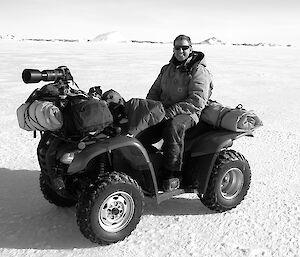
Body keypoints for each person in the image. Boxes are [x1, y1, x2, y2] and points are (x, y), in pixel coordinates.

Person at [138, 34, 213, 192]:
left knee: (172, 127)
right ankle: (148, 166)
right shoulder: (166, 69)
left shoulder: (198, 70)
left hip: (189, 113)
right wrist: (150, 109)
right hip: (165, 110)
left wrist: (170, 112)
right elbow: (154, 92)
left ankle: (173, 174)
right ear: (173, 49)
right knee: (142, 130)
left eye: (184, 48)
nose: (181, 51)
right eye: (177, 48)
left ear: (190, 49)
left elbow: (197, 100)